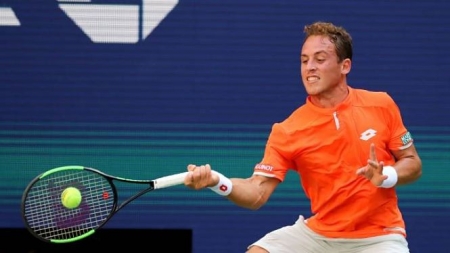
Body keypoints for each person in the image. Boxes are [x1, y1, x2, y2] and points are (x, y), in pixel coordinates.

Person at [184, 21, 422, 253]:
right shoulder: (288, 130)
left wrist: (387, 176)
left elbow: (412, 162)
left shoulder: (381, 104)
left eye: (320, 59)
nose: (310, 67)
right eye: (304, 60)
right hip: (319, 236)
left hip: (379, 237)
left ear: (344, 66)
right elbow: (257, 193)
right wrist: (216, 181)